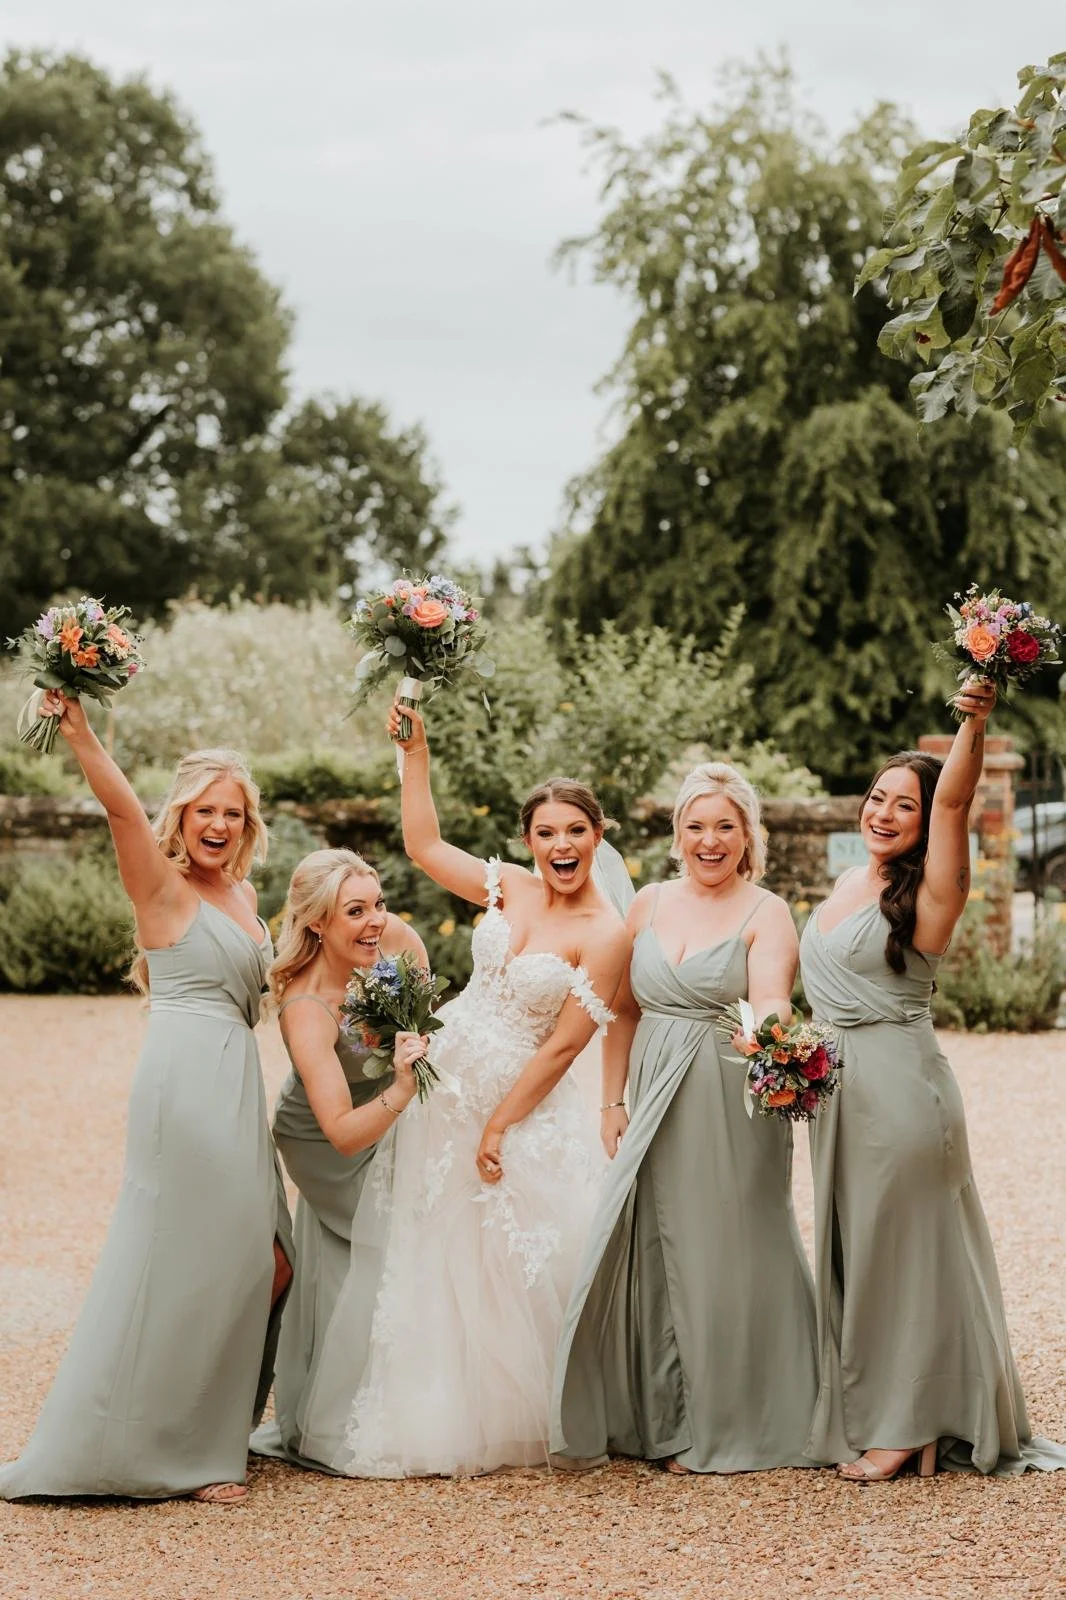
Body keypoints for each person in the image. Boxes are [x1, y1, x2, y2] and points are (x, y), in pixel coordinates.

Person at [295, 700, 631, 1476]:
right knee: (434, 1247)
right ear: (528, 842)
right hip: (443, 1091)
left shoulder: (607, 934)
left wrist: (499, 1127)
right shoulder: (508, 887)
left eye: (574, 831)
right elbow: (421, 845)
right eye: (545, 833)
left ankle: (529, 1416)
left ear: (597, 836)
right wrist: (416, 752)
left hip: (517, 1106)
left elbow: (562, 1049)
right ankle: (439, 1412)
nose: (559, 845)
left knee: (512, 1263)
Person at [0, 694, 292, 1504]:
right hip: (185, 1089)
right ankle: (180, 1453)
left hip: (234, 1081)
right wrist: (82, 734)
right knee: (212, 1260)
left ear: (247, 823)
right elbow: (122, 812)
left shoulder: (243, 898)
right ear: (182, 814)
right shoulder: (161, 888)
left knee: (262, 1262)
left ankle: (199, 1431)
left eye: (233, 813)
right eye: (205, 809)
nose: (220, 824)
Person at [801, 680, 1066, 1481]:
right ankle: (887, 1409)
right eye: (877, 798)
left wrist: (973, 720)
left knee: (901, 1258)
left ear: (926, 825)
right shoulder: (852, 880)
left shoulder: (934, 892)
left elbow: (956, 806)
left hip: (899, 1095)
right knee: (869, 1253)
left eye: (903, 807)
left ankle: (906, 1425)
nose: (883, 814)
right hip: (839, 1095)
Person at [552, 763, 818, 1473]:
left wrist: (766, 1036)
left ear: (747, 834)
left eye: (725, 826)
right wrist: (611, 1101)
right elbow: (623, 1010)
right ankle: (660, 1417)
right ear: (678, 834)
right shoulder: (646, 905)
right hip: (650, 1094)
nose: (710, 840)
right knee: (653, 1240)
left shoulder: (767, 912)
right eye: (696, 826)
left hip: (725, 1088)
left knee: (726, 1241)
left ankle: (735, 1417)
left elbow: (773, 999)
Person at [250, 848, 429, 1468]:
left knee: (405, 1223)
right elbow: (342, 1133)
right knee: (386, 1233)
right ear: (318, 923)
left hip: (379, 1098)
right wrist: (403, 1090)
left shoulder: (392, 942)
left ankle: (378, 1389)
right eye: (355, 911)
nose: (375, 921)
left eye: (376, 904)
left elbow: (421, 1009)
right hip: (323, 1139)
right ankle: (353, 1409)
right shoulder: (305, 1009)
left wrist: (414, 1050)